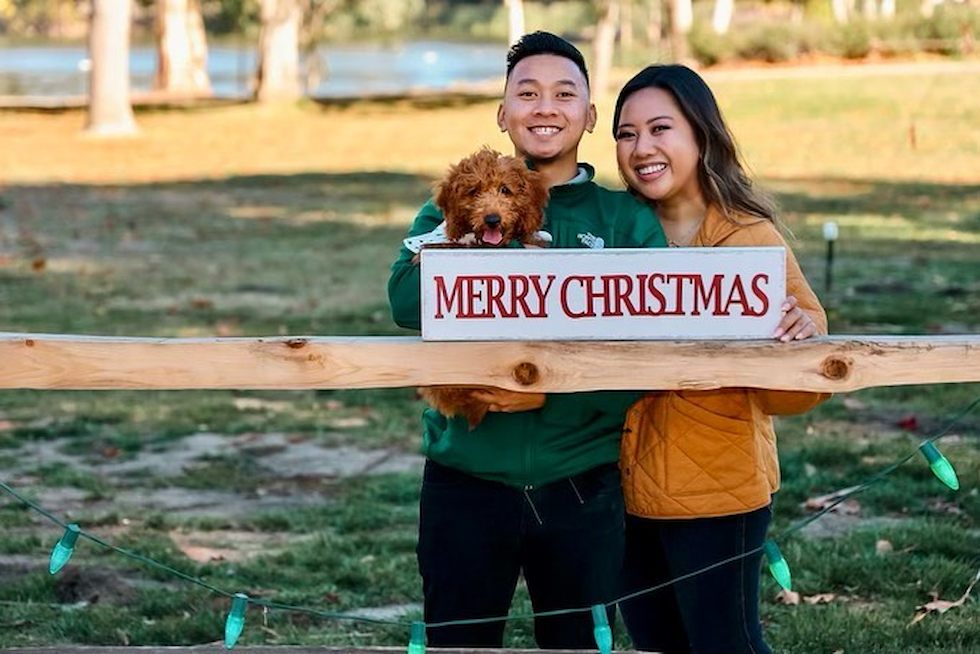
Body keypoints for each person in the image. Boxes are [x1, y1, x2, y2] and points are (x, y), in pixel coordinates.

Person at [388, 32, 667, 649]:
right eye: (528, 93)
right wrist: (458, 248)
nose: (546, 107)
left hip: (582, 480)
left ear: (590, 115)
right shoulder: (456, 205)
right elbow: (406, 304)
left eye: (565, 93)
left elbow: (655, 345)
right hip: (465, 477)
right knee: (458, 641)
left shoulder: (622, 219)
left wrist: (553, 393)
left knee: (578, 643)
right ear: (503, 111)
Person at [611, 64, 830, 654]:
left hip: (717, 489)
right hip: (621, 487)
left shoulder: (749, 239)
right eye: (626, 134)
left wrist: (798, 339)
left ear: (701, 134)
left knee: (725, 641)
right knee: (655, 641)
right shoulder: (613, 237)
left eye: (660, 128)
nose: (642, 148)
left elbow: (802, 391)